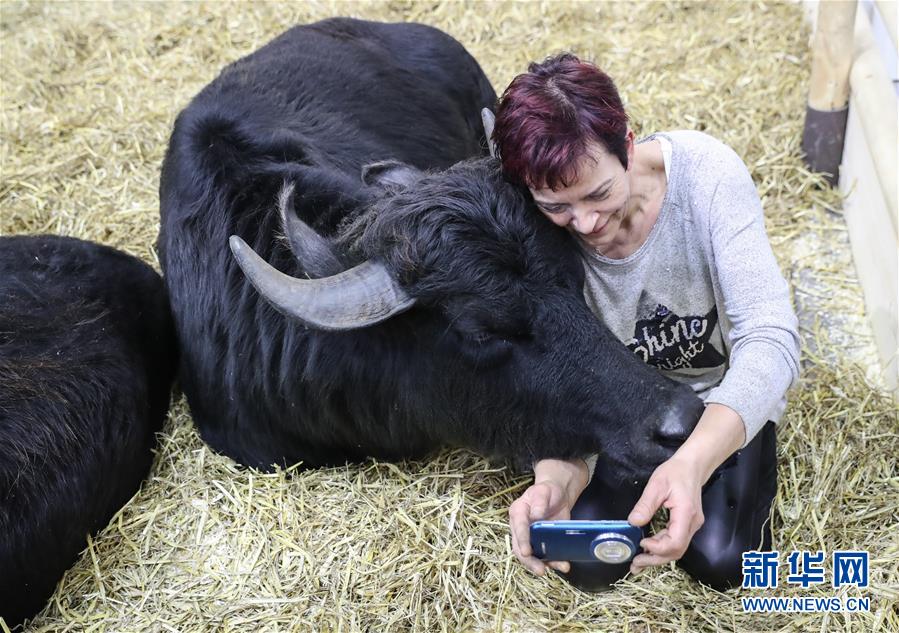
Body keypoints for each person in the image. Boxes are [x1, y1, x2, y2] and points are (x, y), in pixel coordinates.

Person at [492, 54, 801, 592]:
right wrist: (557, 470)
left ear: (628, 146)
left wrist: (695, 463)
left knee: (721, 562)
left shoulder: (707, 176)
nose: (584, 223)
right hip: (620, 410)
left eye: (599, 193)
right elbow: (545, 366)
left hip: (715, 397)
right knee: (583, 565)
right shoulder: (530, 225)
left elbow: (771, 338)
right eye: (557, 206)